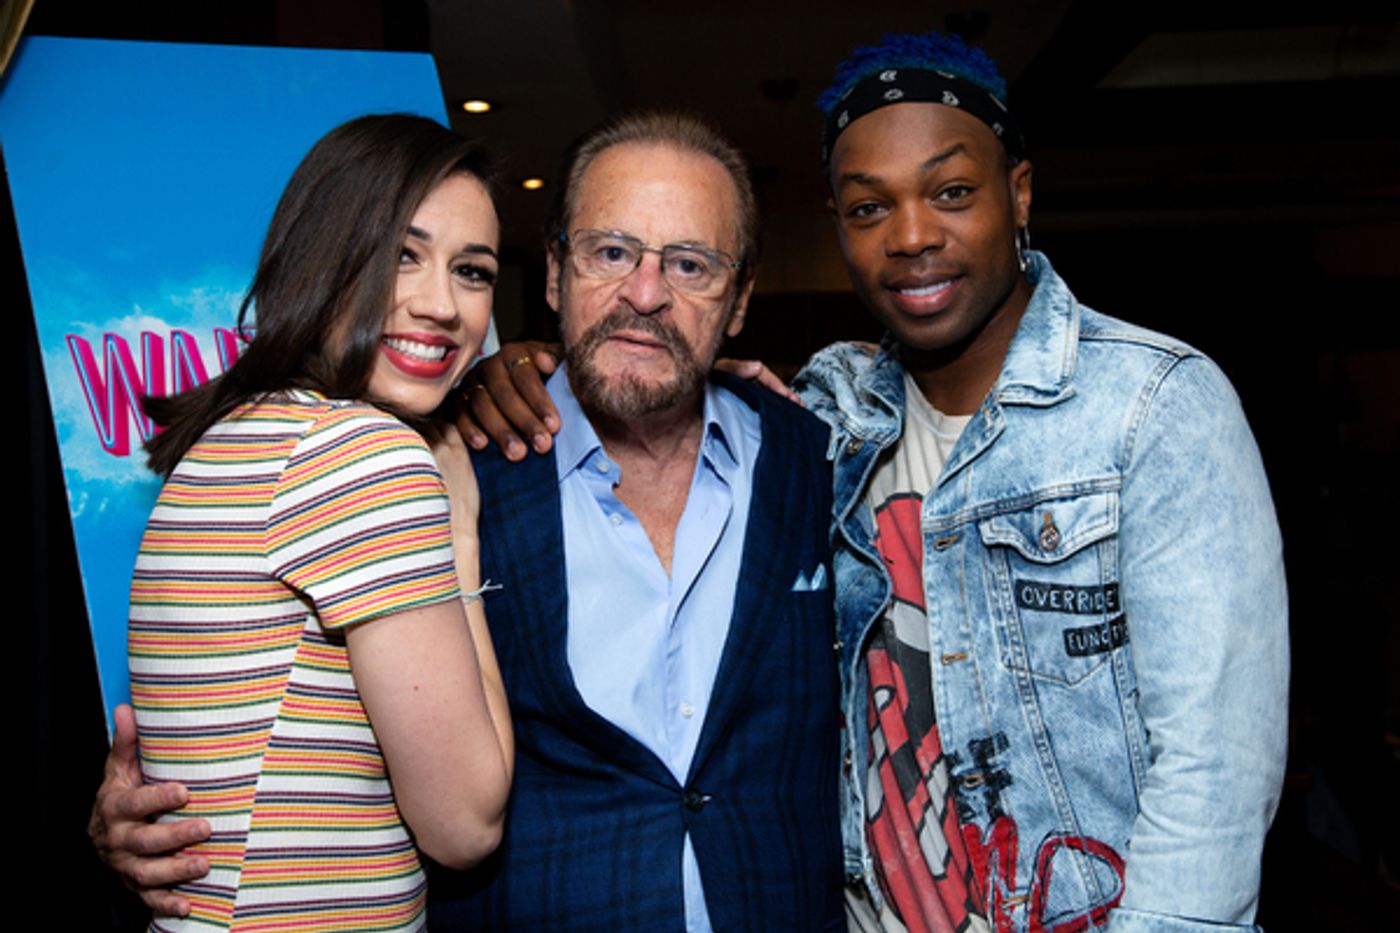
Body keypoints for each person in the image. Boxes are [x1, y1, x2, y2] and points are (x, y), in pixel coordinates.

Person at [458, 31, 1288, 933]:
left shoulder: (1155, 405)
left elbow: (1217, 777)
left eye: (952, 192)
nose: (913, 235)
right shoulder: (831, 416)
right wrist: (516, 371)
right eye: (866, 208)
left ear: (1019, 193)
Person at [92, 110, 843, 932]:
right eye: (612, 251)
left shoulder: (823, 457)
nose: (646, 291)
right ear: (555, 273)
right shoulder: (450, 460)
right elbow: (458, 818)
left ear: (738, 300)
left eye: (691, 264)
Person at [113, 113, 514, 931]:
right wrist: (461, 533)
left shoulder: (232, 434)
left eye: (471, 271)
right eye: (403, 254)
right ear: (326, 255)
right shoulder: (360, 454)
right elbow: (466, 822)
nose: (440, 304)